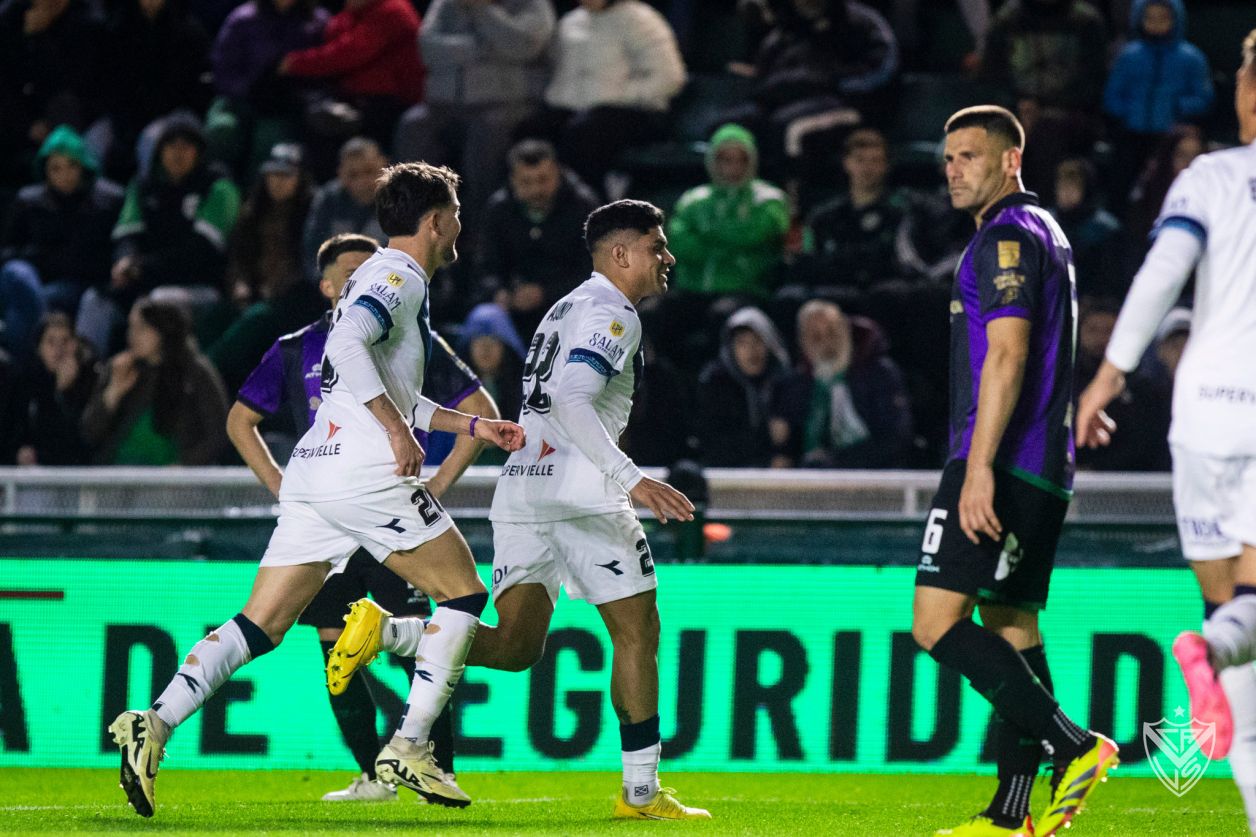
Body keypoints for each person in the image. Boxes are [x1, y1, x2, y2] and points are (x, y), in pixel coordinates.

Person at [107, 162, 525, 818]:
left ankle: (154, 722)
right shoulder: (399, 276)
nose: (458, 228)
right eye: (455, 216)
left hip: (316, 473)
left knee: (259, 624)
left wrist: (470, 424)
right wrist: (396, 432)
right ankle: (409, 745)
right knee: (465, 594)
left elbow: (377, 380)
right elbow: (353, 346)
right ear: (435, 221)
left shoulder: (377, 280)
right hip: (366, 473)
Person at [326, 200, 711, 820]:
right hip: (584, 498)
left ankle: (389, 632)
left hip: (523, 491)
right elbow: (574, 399)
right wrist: (631, 477)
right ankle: (641, 792)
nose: (667, 257)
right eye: (655, 246)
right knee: (638, 632)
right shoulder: (613, 314)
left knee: (513, 646)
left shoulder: (564, 308)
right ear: (620, 254)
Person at [227, 231, 498, 800]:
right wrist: (284, 487)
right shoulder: (296, 348)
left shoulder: (408, 333)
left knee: (424, 631)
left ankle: (437, 769)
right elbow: (239, 421)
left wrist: (437, 485)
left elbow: (479, 408)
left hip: (384, 504)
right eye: (349, 275)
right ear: (328, 287)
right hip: (331, 511)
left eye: (369, 271)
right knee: (335, 647)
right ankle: (374, 774)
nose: (364, 282)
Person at [912, 105, 1117, 837]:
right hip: (1044, 464)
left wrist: (978, 469)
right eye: (948, 158)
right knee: (1012, 625)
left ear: (1010, 160)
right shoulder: (1047, 231)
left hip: (1003, 459)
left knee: (936, 623)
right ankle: (1010, 814)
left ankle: (1075, 745)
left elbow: (1008, 352)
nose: (953, 170)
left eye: (969, 155)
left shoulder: (1006, 235)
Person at [1076, 30, 1256, 832]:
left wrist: (1108, 376)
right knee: (1246, 614)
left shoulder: (1208, 177)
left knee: (1239, 641)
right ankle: (1212, 646)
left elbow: (1160, 276)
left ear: (1246, 93)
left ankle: (1218, 648)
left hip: (1203, 413)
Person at [78, 115, 241, 356]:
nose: (178, 153)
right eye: (171, 145)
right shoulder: (143, 186)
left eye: (186, 146)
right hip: (146, 278)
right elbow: (127, 234)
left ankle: (157, 377)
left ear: (199, 152)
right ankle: (84, 373)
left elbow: (201, 252)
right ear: (159, 150)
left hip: (200, 286)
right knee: (96, 300)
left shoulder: (219, 187)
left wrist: (142, 267)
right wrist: (125, 261)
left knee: (158, 304)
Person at [392, 0, 554, 236]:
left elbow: (525, 44)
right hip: (444, 103)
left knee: (487, 135)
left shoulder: (530, 4)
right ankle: (414, 228)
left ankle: (481, 232)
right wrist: (483, 48)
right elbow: (427, 47)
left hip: (507, 102)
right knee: (413, 125)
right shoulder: (445, 4)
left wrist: (482, 9)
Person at [526, 0, 686, 195]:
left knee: (585, 134)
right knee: (530, 131)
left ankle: (589, 204)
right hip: (575, 110)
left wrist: (618, 94)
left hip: (633, 112)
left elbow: (670, 77)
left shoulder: (640, 20)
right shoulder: (569, 23)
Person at [80, 298, 229, 465]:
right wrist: (113, 392)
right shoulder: (120, 368)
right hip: (118, 473)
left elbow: (218, 433)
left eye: (142, 327)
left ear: (163, 330)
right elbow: (90, 433)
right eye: (131, 327)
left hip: (174, 476)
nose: (132, 335)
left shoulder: (195, 371)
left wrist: (184, 466)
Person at [475, 139, 600, 336]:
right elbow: (486, 267)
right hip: (514, 310)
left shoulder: (584, 208)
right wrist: (499, 292)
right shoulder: (499, 210)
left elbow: (595, 272)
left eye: (543, 180)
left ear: (557, 174)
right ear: (513, 180)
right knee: (484, 319)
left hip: (570, 307)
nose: (536, 190)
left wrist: (545, 293)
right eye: (526, 182)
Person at [774, 299, 913, 468]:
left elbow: (896, 437)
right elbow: (788, 445)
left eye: (832, 333)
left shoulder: (879, 374)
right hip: (812, 477)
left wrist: (836, 461)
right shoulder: (795, 385)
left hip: (877, 474)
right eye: (816, 337)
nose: (826, 344)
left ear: (846, 332)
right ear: (803, 343)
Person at [667, 123, 789, 301]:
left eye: (741, 160)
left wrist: (706, 236)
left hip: (746, 289)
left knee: (723, 312)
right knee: (650, 311)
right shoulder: (693, 199)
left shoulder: (769, 198)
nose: (733, 168)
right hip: (691, 286)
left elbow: (753, 236)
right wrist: (728, 248)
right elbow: (677, 243)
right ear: (713, 161)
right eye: (726, 160)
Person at [694, 306, 791, 468]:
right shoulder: (714, 382)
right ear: (731, 348)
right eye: (742, 343)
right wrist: (767, 437)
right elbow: (715, 442)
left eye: (758, 341)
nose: (752, 351)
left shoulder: (784, 381)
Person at [15, 312, 97, 466]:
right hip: (34, 470)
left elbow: (82, 440)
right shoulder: (26, 382)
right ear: (39, 348)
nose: (59, 350)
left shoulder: (91, 379)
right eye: (51, 342)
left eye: (65, 341)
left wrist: (64, 393)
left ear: (75, 344)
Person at [301, 137, 387, 278]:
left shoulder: (400, 200)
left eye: (369, 171)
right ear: (340, 174)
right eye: (353, 175)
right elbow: (313, 254)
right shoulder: (329, 200)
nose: (362, 182)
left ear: (384, 165)